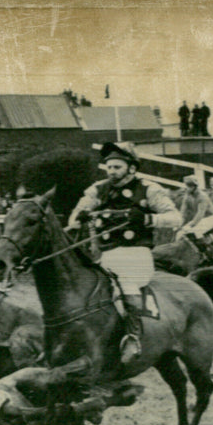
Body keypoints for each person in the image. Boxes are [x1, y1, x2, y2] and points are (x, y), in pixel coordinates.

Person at [67, 142, 181, 365]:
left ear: (131, 168)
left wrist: (149, 219)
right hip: (106, 255)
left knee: (126, 284)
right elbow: (75, 216)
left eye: (117, 167)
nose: (111, 172)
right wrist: (79, 217)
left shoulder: (149, 189)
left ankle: (133, 337)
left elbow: (176, 218)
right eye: (109, 167)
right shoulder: (98, 189)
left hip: (136, 255)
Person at [175, 175, 213, 255]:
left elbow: (200, 214)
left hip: (208, 218)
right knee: (179, 233)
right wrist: (179, 223)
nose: (187, 188)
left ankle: (206, 254)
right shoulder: (187, 196)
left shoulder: (202, 196)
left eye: (189, 186)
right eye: (187, 186)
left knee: (196, 231)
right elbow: (183, 211)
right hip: (199, 220)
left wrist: (190, 225)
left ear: (194, 187)